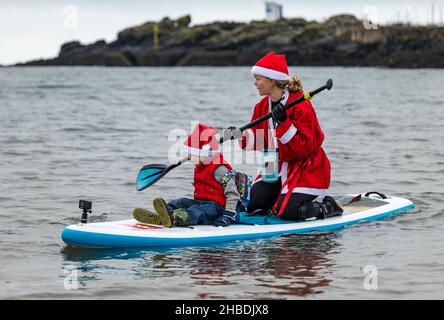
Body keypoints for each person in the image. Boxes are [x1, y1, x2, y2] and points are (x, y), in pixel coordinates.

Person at [223, 51, 343, 221]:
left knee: (287, 212)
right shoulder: (262, 106)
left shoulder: (301, 105)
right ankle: (278, 198)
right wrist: (239, 136)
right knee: (254, 203)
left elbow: (305, 148)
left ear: (272, 80)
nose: (255, 83)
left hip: (305, 168)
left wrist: (285, 123)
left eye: (258, 79)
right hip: (274, 165)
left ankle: (327, 206)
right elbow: (259, 141)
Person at [133, 123, 252, 227]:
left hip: (218, 208)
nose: (188, 157)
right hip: (201, 202)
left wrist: (227, 216)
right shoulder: (201, 165)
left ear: (204, 154)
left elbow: (233, 194)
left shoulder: (220, 169)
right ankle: (163, 215)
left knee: (198, 211)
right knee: (180, 202)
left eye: (191, 153)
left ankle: (176, 217)